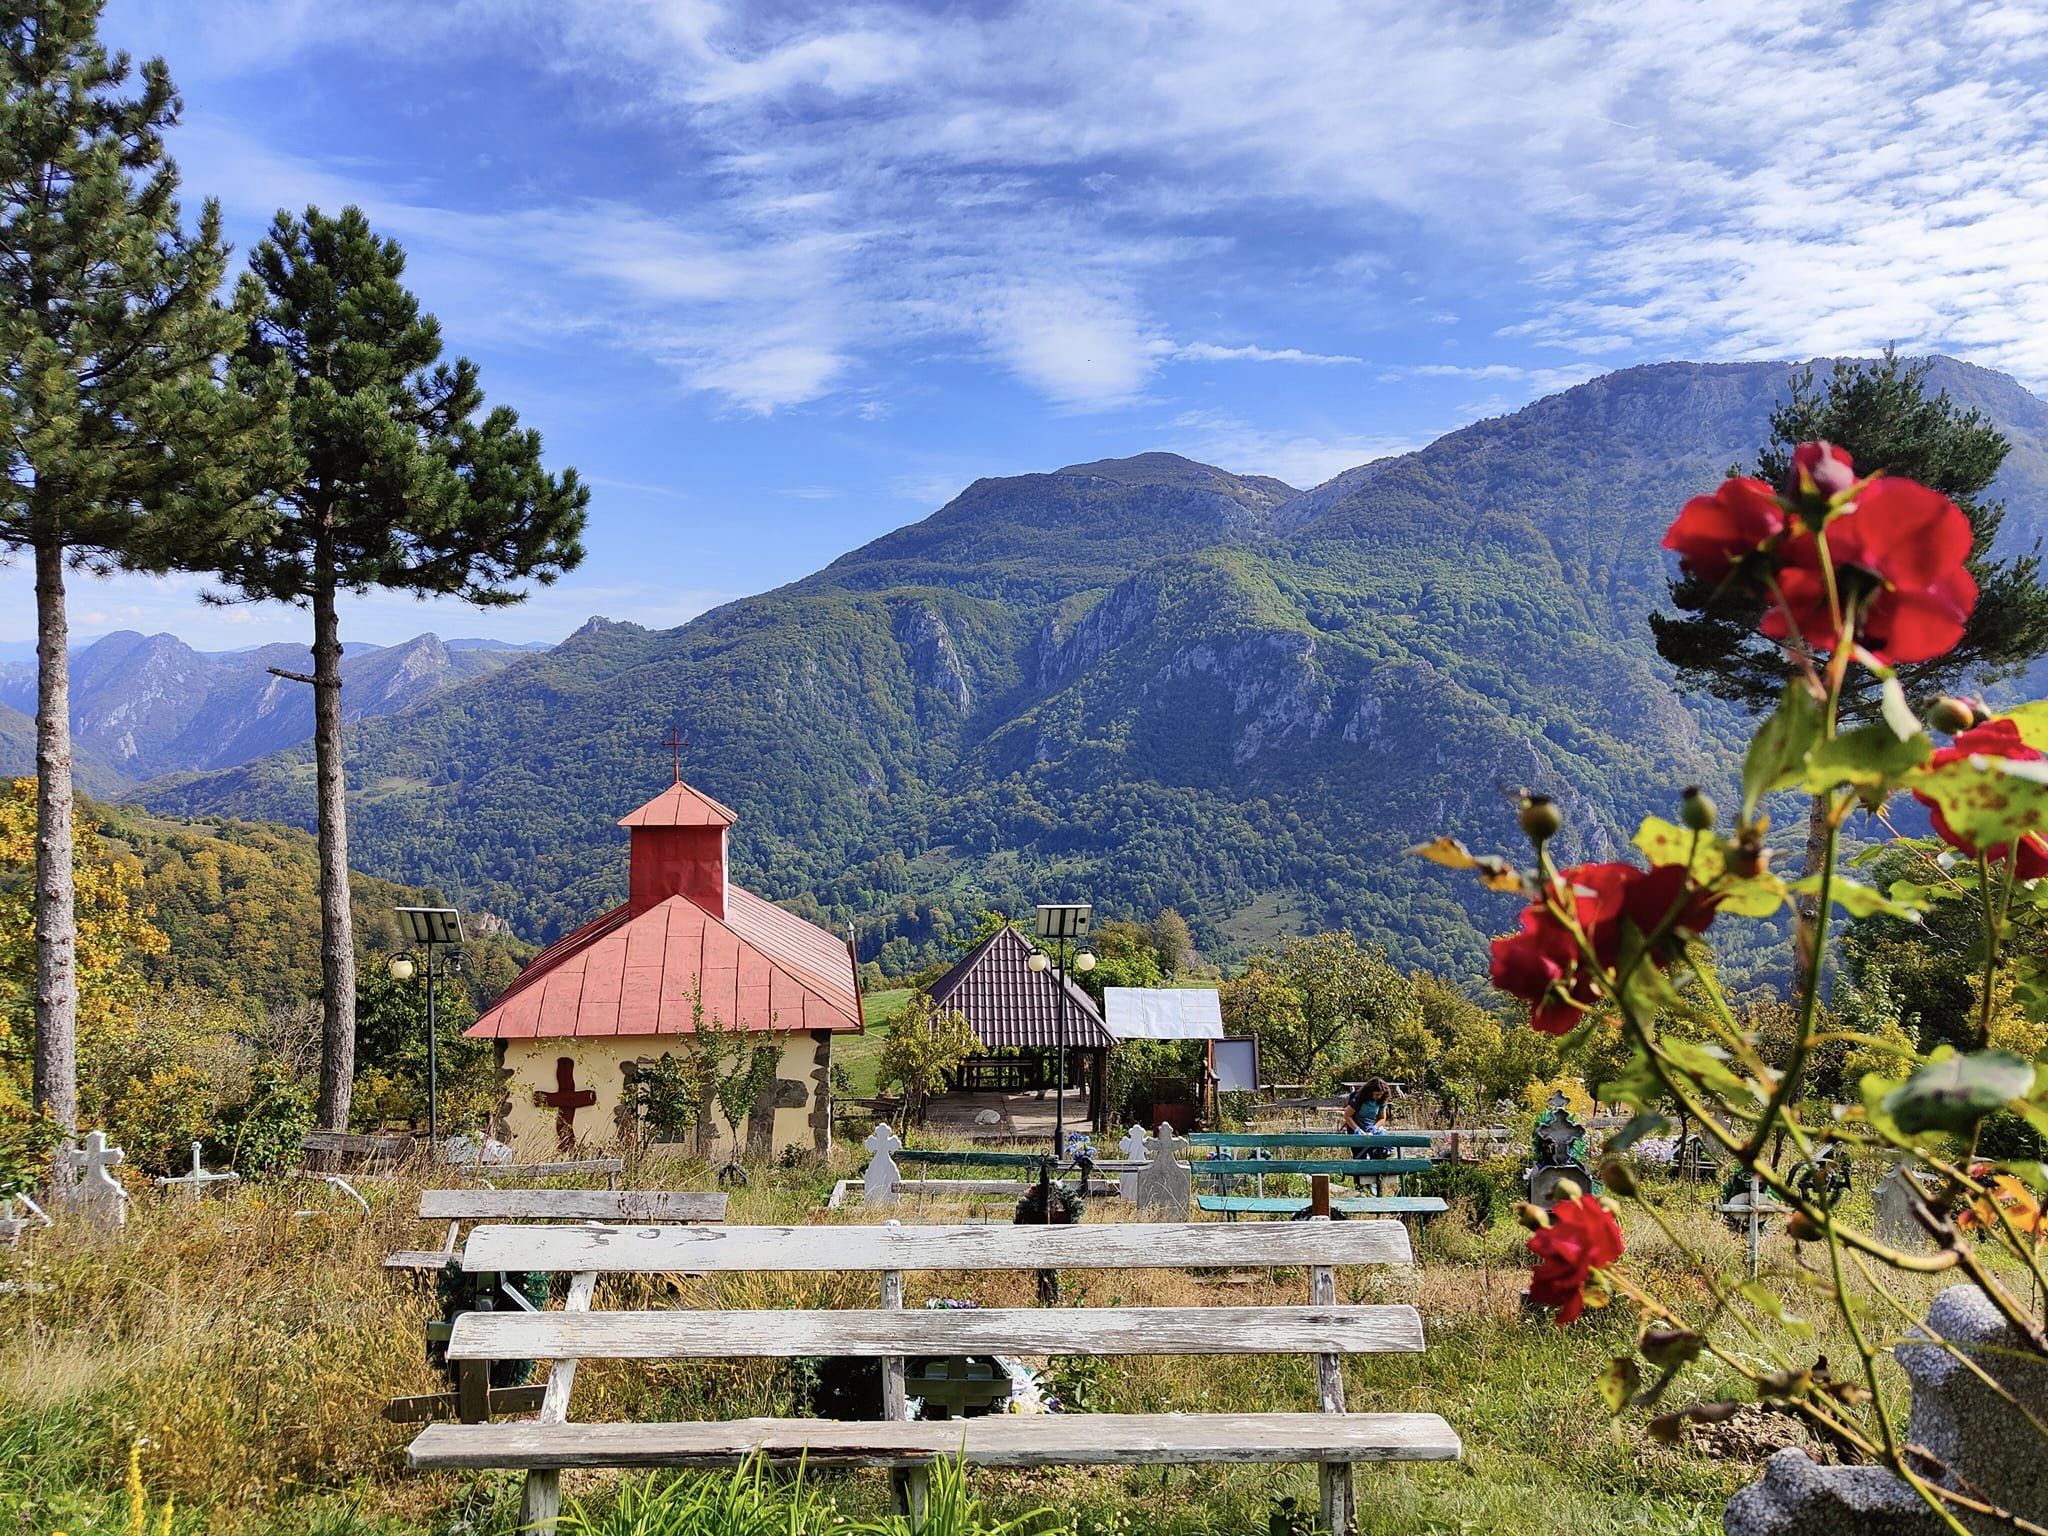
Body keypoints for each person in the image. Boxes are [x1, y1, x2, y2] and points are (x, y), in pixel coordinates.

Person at [1340, 1078, 1394, 1161]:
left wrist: (1375, 1128)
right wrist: (1357, 1129)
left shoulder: (1381, 1100)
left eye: (1380, 1095)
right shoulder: (1358, 1098)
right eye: (1376, 1094)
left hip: (1372, 1130)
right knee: (1360, 1157)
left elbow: (1382, 1118)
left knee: (1379, 1155)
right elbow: (1347, 1116)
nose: (1378, 1097)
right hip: (1356, 1128)